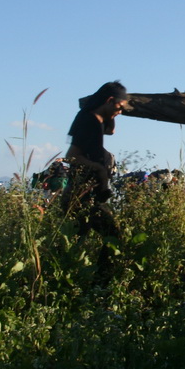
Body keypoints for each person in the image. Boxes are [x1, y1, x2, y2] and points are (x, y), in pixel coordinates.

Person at [62, 81, 130, 277]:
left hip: (90, 194)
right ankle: (100, 280)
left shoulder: (98, 119)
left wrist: (114, 111)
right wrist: (99, 169)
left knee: (77, 241)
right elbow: (71, 156)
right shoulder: (89, 121)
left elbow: (111, 131)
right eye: (119, 107)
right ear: (109, 100)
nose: (120, 112)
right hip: (81, 194)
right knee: (111, 236)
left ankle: (88, 279)